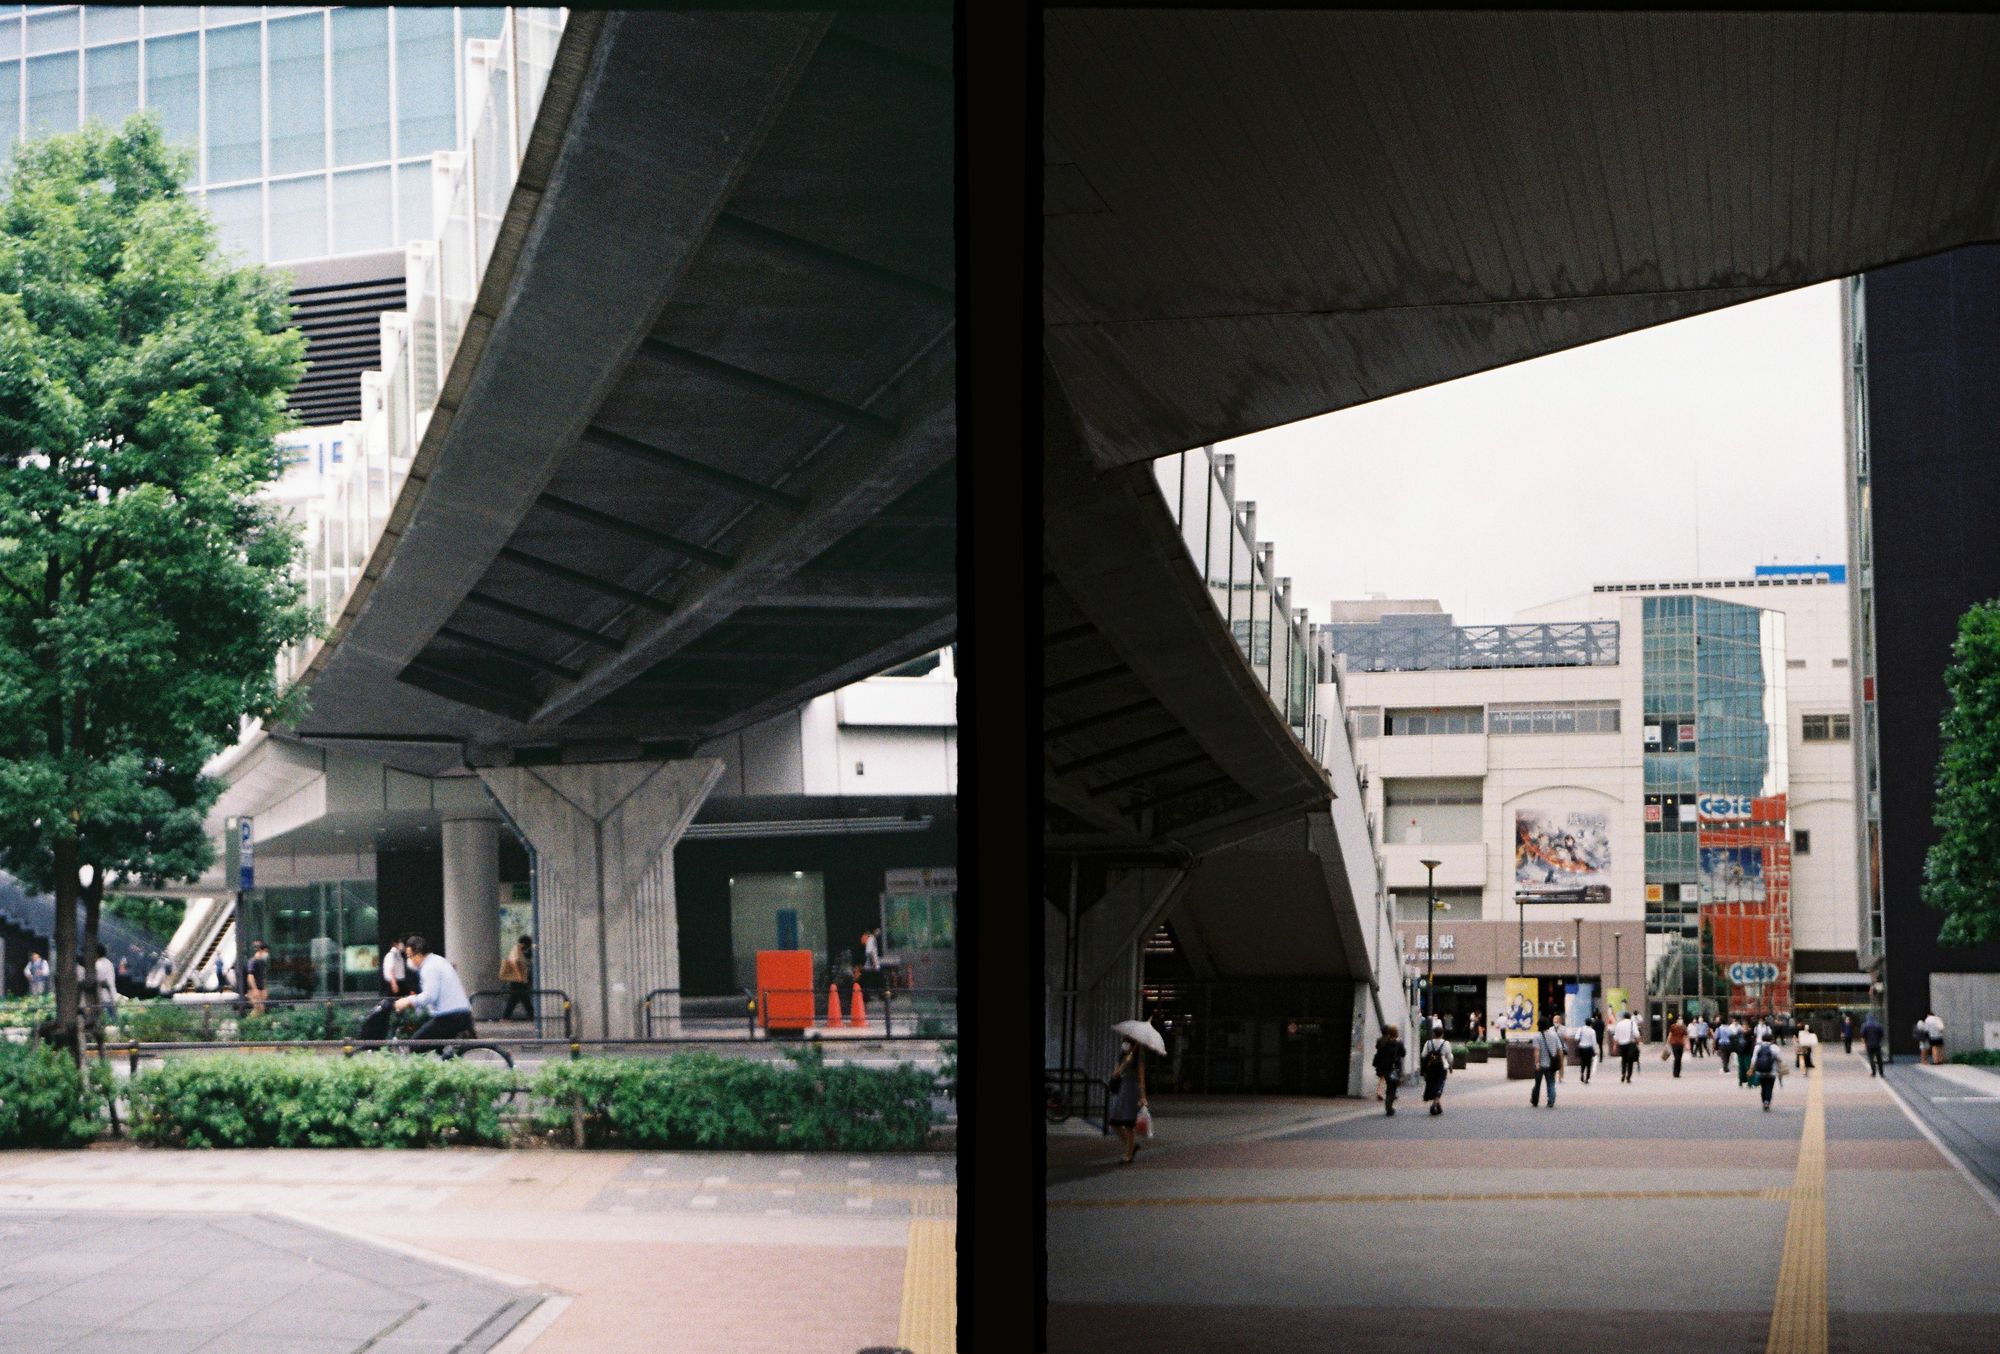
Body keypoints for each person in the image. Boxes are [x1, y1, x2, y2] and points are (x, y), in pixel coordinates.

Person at [393, 934, 476, 1048]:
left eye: (410, 956)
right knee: (439, 1049)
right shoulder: (437, 960)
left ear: (418, 953)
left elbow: (430, 996)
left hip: (450, 1016)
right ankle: (447, 1061)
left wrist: (408, 1001)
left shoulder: (429, 968)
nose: (409, 960)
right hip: (460, 1014)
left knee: (415, 1045)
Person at [1106, 1034, 1149, 1164]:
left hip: (1132, 1092)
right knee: (1114, 1122)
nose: (1124, 1045)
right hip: (1121, 1092)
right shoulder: (1121, 1058)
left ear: (1132, 1044)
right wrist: (1123, 1064)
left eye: (1127, 1042)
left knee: (1128, 1124)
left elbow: (1141, 1080)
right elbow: (1115, 1075)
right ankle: (1131, 1146)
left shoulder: (1138, 1060)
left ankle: (1128, 1154)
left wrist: (1143, 1097)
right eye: (1124, 1042)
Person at [1529, 1014, 1564, 1108]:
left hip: (1540, 1065)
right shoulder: (1554, 1035)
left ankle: (1535, 1100)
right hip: (1551, 1064)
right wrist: (1560, 1061)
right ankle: (1551, 1100)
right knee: (1551, 1083)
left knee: (1537, 1084)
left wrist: (1537, 1063)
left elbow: (1537, 1051)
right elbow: (1559, 1049)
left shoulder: (1537, 1036)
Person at [1373, 1025, 1406, 1117]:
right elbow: (1403, 1053)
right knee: (1392, 1088)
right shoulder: (1398, 1043)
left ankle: (1388, 1105)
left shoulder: (1383, 1043)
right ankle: (1389, 1107)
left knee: (1389, 1086)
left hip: (1384, 1068)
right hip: (1394, 1069)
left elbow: (1378, 1052)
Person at [498, 937, 535, 1020]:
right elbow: (514, 962)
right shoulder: (517, 950)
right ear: (524, 944)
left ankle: (506, 1017)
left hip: (517, 980)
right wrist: (520, 976)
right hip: (517, 980)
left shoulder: (519, 950)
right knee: (523, 999)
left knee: (517, 999)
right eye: (527, 945)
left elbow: (526, 956)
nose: (527, 948)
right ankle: (531, 1016)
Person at [1420, 1025, 1452, 1116]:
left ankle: (1437, 1104)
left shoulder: (1428, 1043)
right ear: (1442, 1034)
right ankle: (1435, 1104)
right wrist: (1450, 1065)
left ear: (1433, 1034)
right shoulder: (1446, 1043)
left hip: (1430, 1067)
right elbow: (1449, 1057)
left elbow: (1423, 1055)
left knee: (1432, 1083)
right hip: (1441, 1066)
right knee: (1440, 1083)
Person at [1753, 1032, 1780, 1110]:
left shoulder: (1758, 1047)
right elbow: (1779, 1059)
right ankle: (1767, 1101)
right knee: (1769, 1087)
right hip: (1772, 1071)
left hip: (1760, 1071)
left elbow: (1754, 1059)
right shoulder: (1775, 1047)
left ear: (1762, 1039)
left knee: (1763, 1086)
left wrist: (1751, 1069)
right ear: (1772, 1039)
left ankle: (1764, 1100)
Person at [1613, 1009, 1640, 1083]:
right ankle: (1629, 1076)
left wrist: (1615, 1045)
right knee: (1630, 1060)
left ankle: (1623, 1073)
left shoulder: (1619, 1024)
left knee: (1624, 1059)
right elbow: (1636, 1034)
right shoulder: (1632, 1023)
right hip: (1630, 1044)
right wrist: (1638, 1041)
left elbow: (1616, 1036)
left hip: (1622, 1045)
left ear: (1623, 1017)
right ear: (1630, 1017)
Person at [246, 942, 270, 1016]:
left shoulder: (263, 963)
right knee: (259, 1008)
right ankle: (248, 1024)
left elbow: (264, 977)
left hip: (261, 989)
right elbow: (250, 976)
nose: (266, 954)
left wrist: (265, 989)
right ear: (260, 950)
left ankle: (253, 1024)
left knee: (260, 1010)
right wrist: (254, 989)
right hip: (254, 990)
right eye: (266, 951)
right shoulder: (252, 962)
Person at [1574, 1017, 1598, 1083]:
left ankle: (1582, 1073)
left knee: (1583, 1061)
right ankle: (1587, 1078)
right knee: (1588, 1063)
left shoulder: (1580, 1029)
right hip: (1589, 1048)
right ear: (1591, 1024)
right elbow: (1594, 1042)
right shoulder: (1592, 1031)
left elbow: (1576, 1038)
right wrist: (1595, 1050)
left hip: (1581, 1047)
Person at [1862, 1011, 1886, 1076]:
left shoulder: (1865, 1025)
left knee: (1871, 1059)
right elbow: (1882, 1034)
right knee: (1879, 1059)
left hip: (1869, 1045)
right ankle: (1881, 1072)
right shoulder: (1878, 1025)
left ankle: (1873, 1072)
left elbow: (1863, 1035)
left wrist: (1865, 1043)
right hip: (1877, 1044)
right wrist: (1879, 1040)